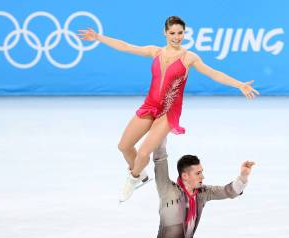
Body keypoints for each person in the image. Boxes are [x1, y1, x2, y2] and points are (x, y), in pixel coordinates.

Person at [78, 16, 259, 202]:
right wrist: (99, 37)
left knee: (143, 153)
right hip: (150, 105)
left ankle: (132, 179)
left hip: (168, 111)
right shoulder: (155, 52)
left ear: (184, 33)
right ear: (165, 33)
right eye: (172, 33)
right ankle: (141, 174)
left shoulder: (189, 57)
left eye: (180, 33)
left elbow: (214, 74)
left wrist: (239, 85)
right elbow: (125, 46)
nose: (176, 37)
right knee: (123, 146)